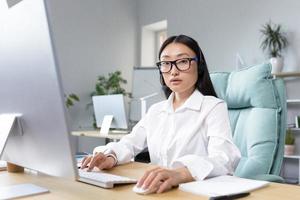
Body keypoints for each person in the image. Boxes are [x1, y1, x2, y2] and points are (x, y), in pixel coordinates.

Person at [81, 34, 241, 193]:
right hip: (158, 190)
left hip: (194, 192)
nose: (173, 71)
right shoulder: (156, 110)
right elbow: (129, 143)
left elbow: (224, 158)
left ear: (199, 66)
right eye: (166, 63)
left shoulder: (213, 107)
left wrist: (181, 173)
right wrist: (110, 157)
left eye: (183, 61)